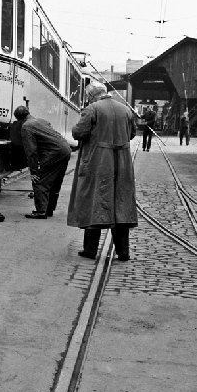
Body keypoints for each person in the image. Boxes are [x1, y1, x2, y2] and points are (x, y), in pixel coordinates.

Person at [67, 83, 138, 262]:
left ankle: (90, 250)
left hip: (98, 161)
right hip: (122, 162)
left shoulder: (92, 109)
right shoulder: (125, 109)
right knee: (121, 204)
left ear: (91, 96)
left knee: (94, 201)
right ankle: (123, 252)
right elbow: (132, 134)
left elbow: (78, 133)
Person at [9, 106, 71, 219]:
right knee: (54, 182)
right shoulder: (41, 120)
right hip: (65, 150)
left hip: (54, 153)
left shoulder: (26, 127)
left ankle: (41, 211)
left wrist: (33, 171)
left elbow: (31, 151)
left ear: (19, 119)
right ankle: (49, 209)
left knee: (40, 179)